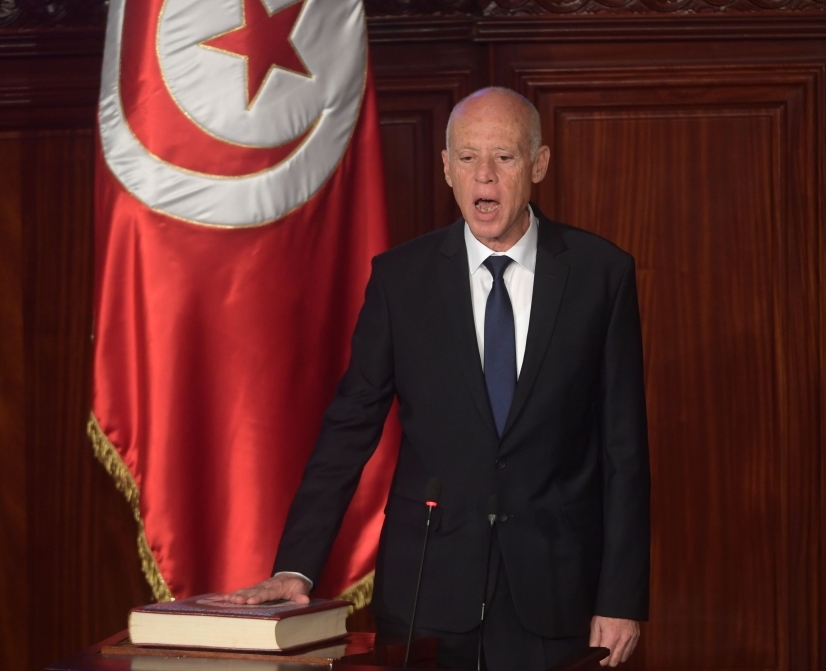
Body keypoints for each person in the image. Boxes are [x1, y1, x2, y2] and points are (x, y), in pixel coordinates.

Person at [226, 87, 650, 670]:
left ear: (539, 164)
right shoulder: (402, 281)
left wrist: (621, 597)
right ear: (447, 168)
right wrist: (296, 567)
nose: (485, 176)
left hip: (555, 594)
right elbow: (349, 429)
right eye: (468, 158)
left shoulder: (601, 275)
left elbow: (624, 453)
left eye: (503, 157)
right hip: (428, 591)